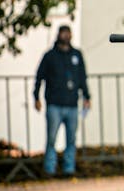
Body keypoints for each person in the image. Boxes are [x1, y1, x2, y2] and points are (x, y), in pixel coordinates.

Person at [33, 25, 91, 177]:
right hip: (54, 104)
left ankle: (68, 169)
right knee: (51, 139)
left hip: (72, 104)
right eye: (63, 33)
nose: (66, 36)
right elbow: (39, 77)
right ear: (59, 35)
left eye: (68, 33)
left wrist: (87, 96)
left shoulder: (77, 55)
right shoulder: (50, 56)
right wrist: (36, 97)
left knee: (71, 139)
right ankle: (50, 169)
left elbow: (82, 78)